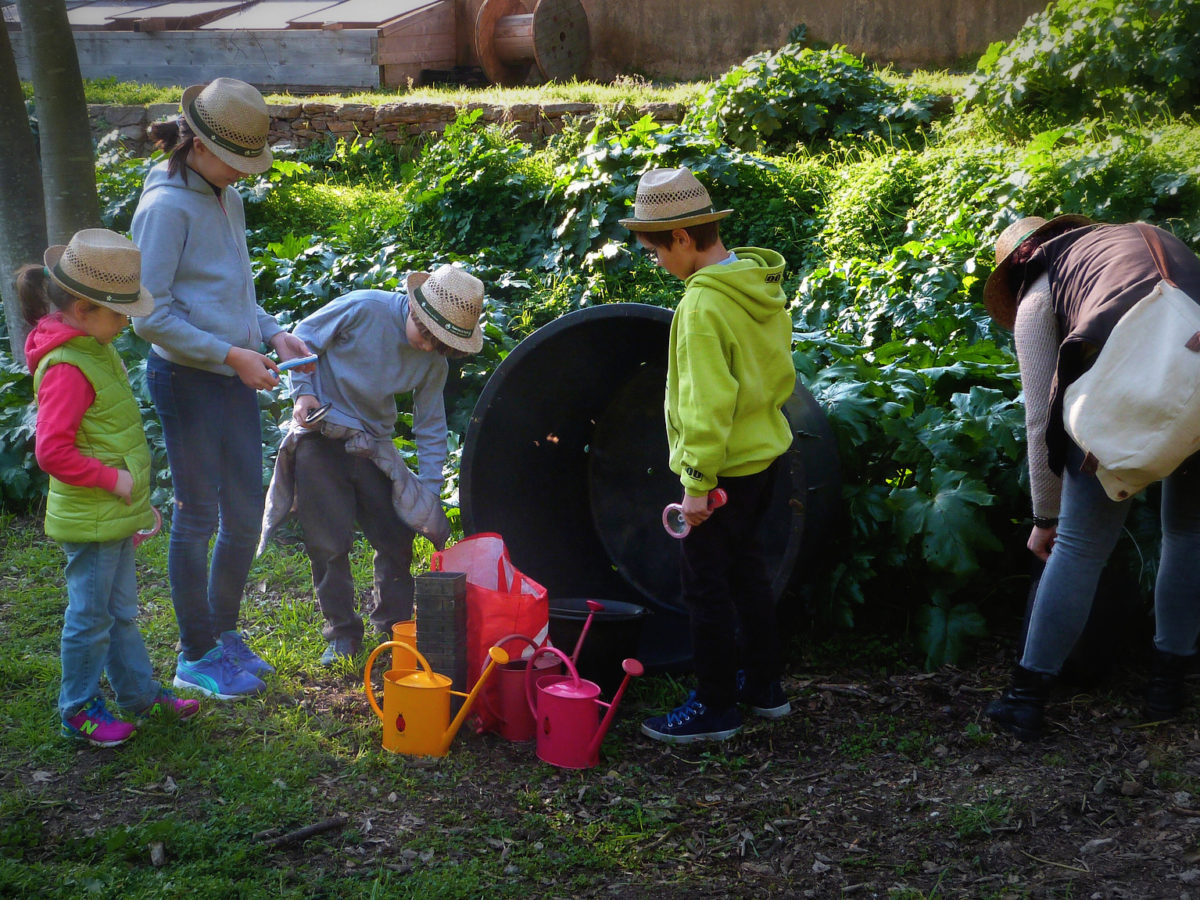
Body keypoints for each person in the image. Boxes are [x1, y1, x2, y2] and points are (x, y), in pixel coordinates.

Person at [982, 215, 1200, 740]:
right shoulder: (1132, 242)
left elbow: (1041, 417)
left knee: (1078, 546)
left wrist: (1045, 516)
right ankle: (1167, 685)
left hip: (1122, 376)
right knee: (1190, 533)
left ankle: (1025, 700)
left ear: (1019, 262)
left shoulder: (1040, 283)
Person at [131, 77, 313, 699]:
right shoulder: (163, 208)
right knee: (198, 516)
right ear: (199, 145)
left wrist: (271, 332)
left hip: (234, 372)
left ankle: (223, 633)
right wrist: (231, 355)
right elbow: (147, 316)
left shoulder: (221, 193)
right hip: (186, 381)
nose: (242, 173)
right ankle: (194, 653)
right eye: (235, 161)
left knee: (242, 515)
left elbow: (232, 289)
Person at [619, 167, 794, 743]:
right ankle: (764, 686)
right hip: (765, 459)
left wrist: (696, 482)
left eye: (656, 251)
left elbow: (705, 402)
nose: (658, 263)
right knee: (746, 572)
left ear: (685, 239)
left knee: (703, 587)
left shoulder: (702, 307)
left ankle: (715, 706)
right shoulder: (755, 283)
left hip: (722, 473)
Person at [21, 229, 201, 747]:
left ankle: (138, 694)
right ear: (82, 308)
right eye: (120, 313)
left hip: (115, 513)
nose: (127, 322)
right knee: (91, 617)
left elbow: (110, 435)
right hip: (92, 518)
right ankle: (77, 707)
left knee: (120, 612)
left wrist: (138, 504)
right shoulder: (68, 367)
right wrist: (115, 481)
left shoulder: (94, 349)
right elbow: (52, 451)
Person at [260, 264, 485, 665]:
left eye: (442, 344)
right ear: (416, 311)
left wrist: (428, 493)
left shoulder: (434, 363)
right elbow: (301, 341)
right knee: (328, 542)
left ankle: (394, 628)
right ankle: (341, 632)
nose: (430, 348)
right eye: (428, 336)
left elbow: (431, 426)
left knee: (397, 537)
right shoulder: (364, 308)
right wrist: (303, 394)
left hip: (373, 446)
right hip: (320, 434)